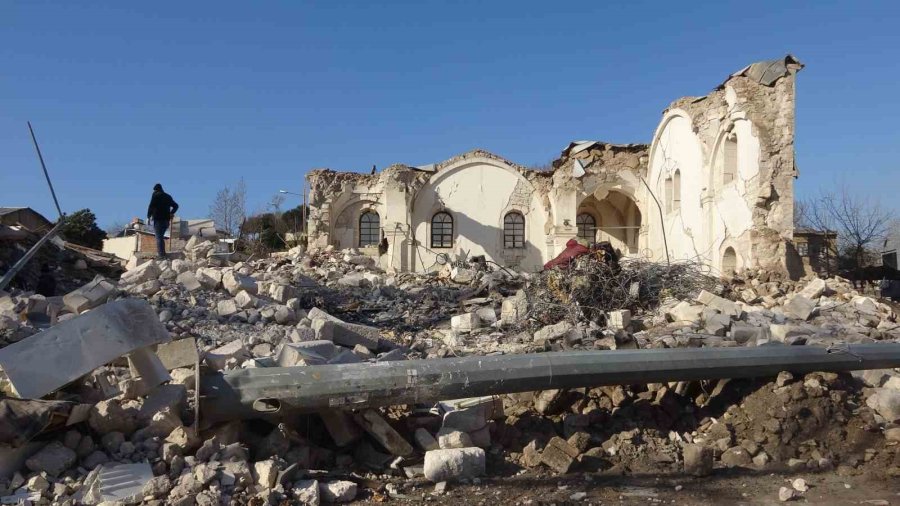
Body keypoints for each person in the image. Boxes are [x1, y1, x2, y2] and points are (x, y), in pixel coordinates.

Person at [147, 183, 179, 259]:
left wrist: (148, 216)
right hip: (166, 221)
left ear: (155, 189)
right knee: (161, 237)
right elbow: (176, 206)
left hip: (158, 220)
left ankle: (161, 256)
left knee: (158, 237)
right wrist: (171, 213)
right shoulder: (168, 196)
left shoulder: (155, 195)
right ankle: (163, 254)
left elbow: (151, 206)